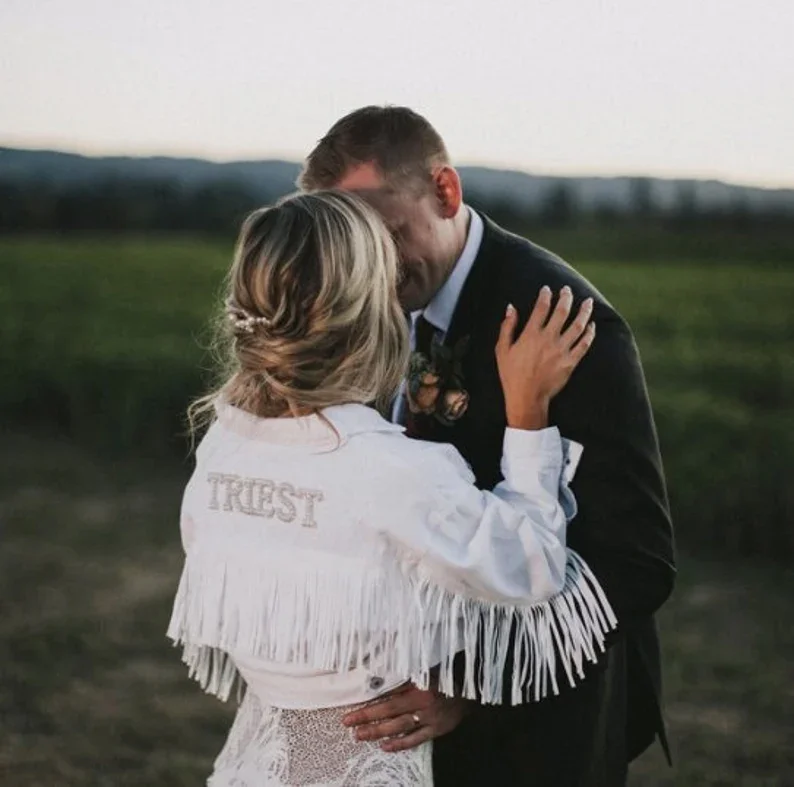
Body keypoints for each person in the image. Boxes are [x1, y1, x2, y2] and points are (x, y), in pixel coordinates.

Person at [167, 190, 615, 786]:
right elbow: (528, 565)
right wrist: (528, 412)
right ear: (372, 315)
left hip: (258, 765)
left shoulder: (223, 443)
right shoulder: (395, 471)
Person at [299, 106, 676, 786]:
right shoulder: (364, 299)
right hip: (396, 707)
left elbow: (636, 559)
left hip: (535, 726)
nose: (370, 270)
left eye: (386, 234)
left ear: (445, 192)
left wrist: (471, 683)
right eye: (352, 245)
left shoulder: (557, 318)